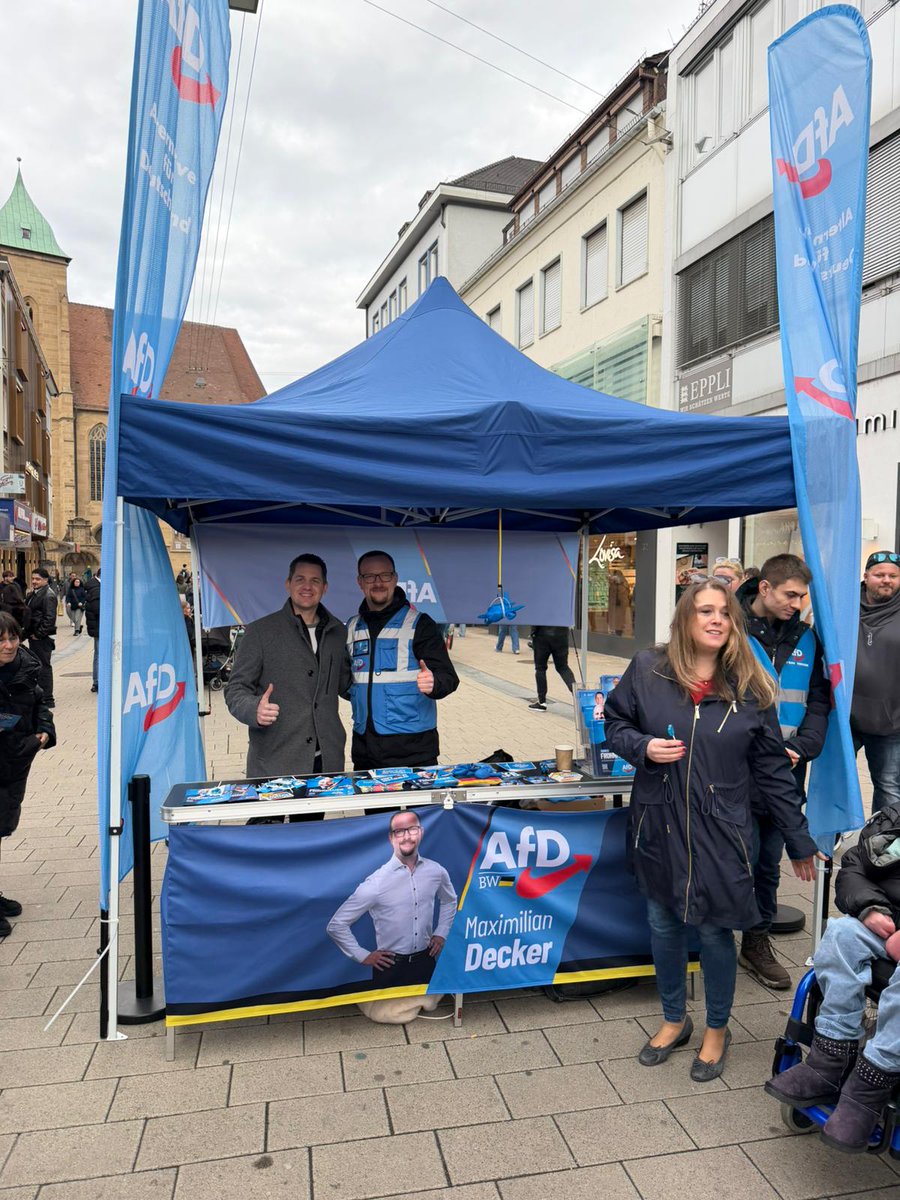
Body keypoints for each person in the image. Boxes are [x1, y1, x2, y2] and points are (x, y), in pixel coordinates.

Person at [603, 579, 819, 1081]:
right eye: (705, 610)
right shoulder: (647, 669)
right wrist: (642, 747)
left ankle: (717, 1028)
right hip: (658, 824)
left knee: (715, 930)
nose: (717, 619)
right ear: (685, 619)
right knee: (662, 925)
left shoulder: (750, 685)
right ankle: (674, 1019)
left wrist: (798, 837)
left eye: (724, 611)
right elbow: (614, 723)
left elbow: (771, 771)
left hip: (721, 831)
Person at [765, 800, 900, 1153]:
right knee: (840, 934)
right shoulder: (896, 816)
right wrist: (872, 909)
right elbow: (854, 865)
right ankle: (831, 1061)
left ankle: (870, 1085)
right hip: (890, 925)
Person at [735, 554, 829, 989]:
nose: (797, 603)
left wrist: (801, 748)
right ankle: (709, 941)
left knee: (767, 865)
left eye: (802, 596)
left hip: (786, 773)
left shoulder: (808, 638)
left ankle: (756, 943)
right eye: (790, 594)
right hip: (732, 773)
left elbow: (818, 701)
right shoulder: (727, 629)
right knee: (732, 860)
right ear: (765, 589)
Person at [225, 553, 351, 786]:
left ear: (325, 587)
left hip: (325, 761)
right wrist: (254, 709)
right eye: (300, 579)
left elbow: (347, 685)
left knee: (311, 823)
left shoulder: (338, 633)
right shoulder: (260, 632)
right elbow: (236, 689)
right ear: (288, 584)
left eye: (315, 581)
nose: (307, 586)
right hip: (274, 760)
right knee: (267, 823)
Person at [346, 551, 459, 770]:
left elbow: (449, 678)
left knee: (417, 807)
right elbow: (346, 682)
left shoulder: (420, 624)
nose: (378, 582)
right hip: (365, 750)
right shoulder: (352, 627)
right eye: (370, 576)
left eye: (385, 575)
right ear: (360, 582)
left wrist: (434, 683)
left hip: (413, 751)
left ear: (395, 578)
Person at [326, 809, 457, 988]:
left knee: (428, 1010)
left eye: (412, 829)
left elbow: (449, 900)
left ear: (421, 832)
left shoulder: (436, 871)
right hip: (390, 967)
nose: (406, 837)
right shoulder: (376, 883)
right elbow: (337, 925)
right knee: (390, 1015)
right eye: (399, 832)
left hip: (426, 961)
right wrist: (362, 955)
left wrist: (441, 932)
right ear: (391, 838)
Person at [0, 612, 56, 937]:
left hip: (15, 762)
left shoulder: (25, 666)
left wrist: (44, 733)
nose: (8, 645)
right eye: (2, 640)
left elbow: (41, 704)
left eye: (12, 638)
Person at [851, 550, 900, 814]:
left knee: (889, 786)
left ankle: (882, 850)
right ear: (866, 576)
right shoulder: (844, 606)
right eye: (880, 574)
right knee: (836, 780)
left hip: (891, 721)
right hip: (844, 717)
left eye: (893, 576)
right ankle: (828, 838)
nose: (886, 580)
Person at [25, 568, 56, 708]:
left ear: (45, 580)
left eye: (37, 579)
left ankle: (48, 698)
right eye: (33, 579)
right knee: (38, 665)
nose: (34, 581)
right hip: (35, 636)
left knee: (44, 666)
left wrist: (39, 634)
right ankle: (41, 695)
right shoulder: (34, 593)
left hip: (41, 638)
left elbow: (49, 618)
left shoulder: (48, 595)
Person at [527, 625, 576, 711]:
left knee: (540, 668)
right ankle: (577, 696)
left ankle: (542, 702)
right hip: (562, 635)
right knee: (563, 667)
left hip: (542, 635)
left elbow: (535, 618)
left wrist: (533, 633)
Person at [83, 570, 101, 693]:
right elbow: (99, 610)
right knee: (100, 655)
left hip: (96, 627)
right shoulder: (97, 589)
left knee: (98, 655)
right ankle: (98, 682)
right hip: (100, 627)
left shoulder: (94, 586)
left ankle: (97, 681)